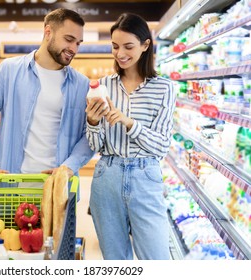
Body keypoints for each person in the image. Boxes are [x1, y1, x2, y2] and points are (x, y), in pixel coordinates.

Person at [85, 13, 175, 260]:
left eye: (128, 46)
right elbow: (96, 145)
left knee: (156, 259)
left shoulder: (164, 88)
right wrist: (92, 122)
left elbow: (161, 145)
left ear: (145, 45)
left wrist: (128, 122)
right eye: (115, 46)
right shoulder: (103, 85)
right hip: (107, 174)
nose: (120, 53)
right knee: (115, 261)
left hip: (145, 175)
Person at [0, 8, 94, 185]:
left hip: (58, 190)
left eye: (78, 43)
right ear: (48, 32)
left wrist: (68, 167)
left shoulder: (82, 84)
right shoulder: (10, 70)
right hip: (12, 185)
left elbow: (89, 135)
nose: (73, 49)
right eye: (69, 39)